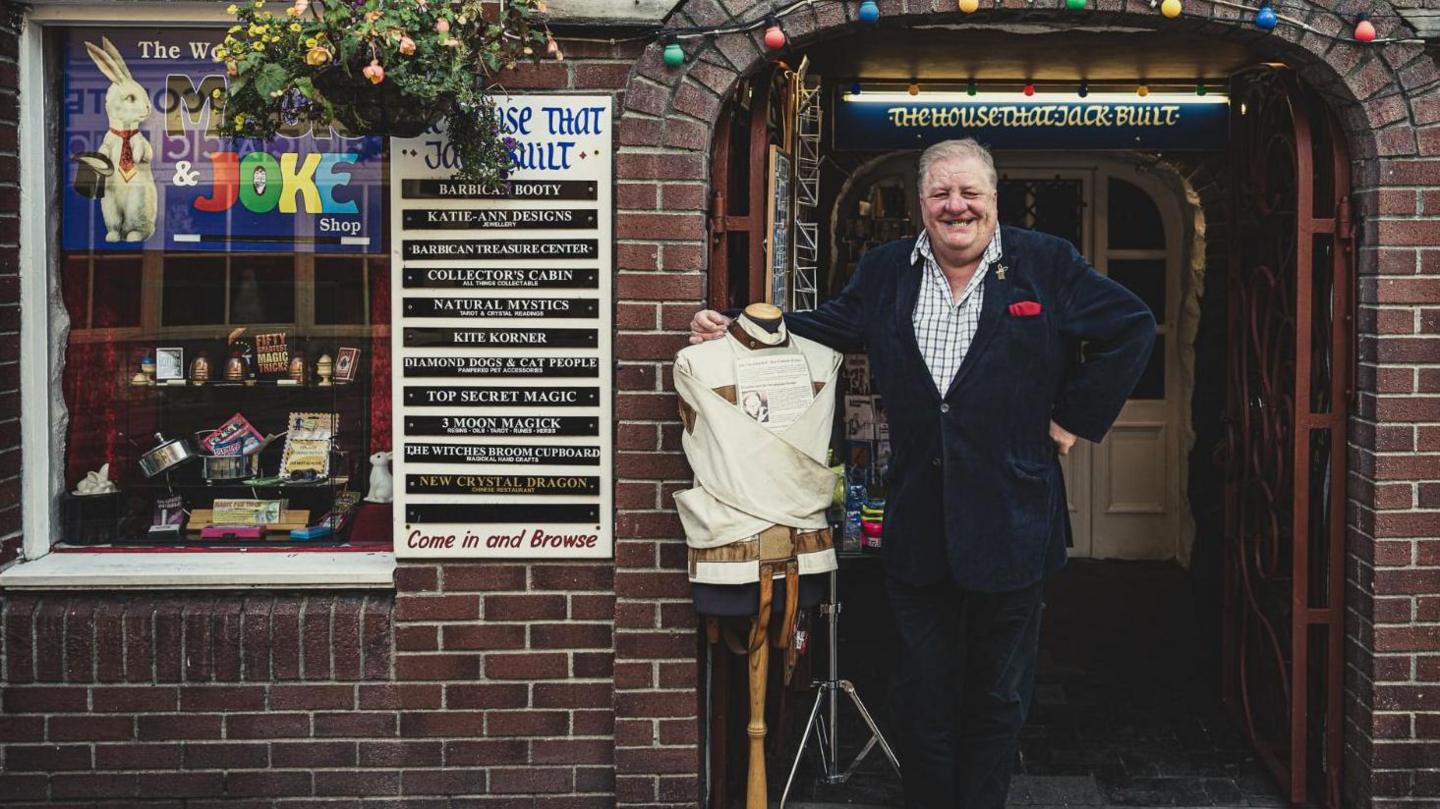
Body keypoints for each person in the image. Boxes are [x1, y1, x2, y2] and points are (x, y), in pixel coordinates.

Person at [688, 138, 1155, 809]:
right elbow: (827, 327)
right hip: (919, 526)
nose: (955, 205)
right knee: (922, 698)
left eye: (969, 192)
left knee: (998, 699)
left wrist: (1071, 421)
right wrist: (736, 327)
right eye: (941, 193)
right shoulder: (886, 270)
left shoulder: (1044, 264)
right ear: (921, 203)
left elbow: (1132, 327)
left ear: (993, 199)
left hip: (1016, 522)